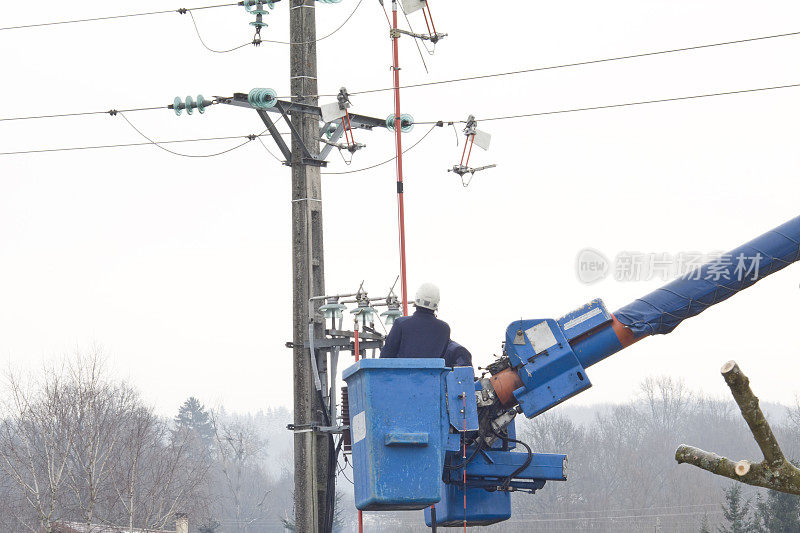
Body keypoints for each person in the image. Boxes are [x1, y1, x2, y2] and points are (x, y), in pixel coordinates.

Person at [380, 283, 450, 359]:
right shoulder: (444, 329)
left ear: (417, 298)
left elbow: (385, 357)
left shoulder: (401, 324)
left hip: (403, 370)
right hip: (433, 371)